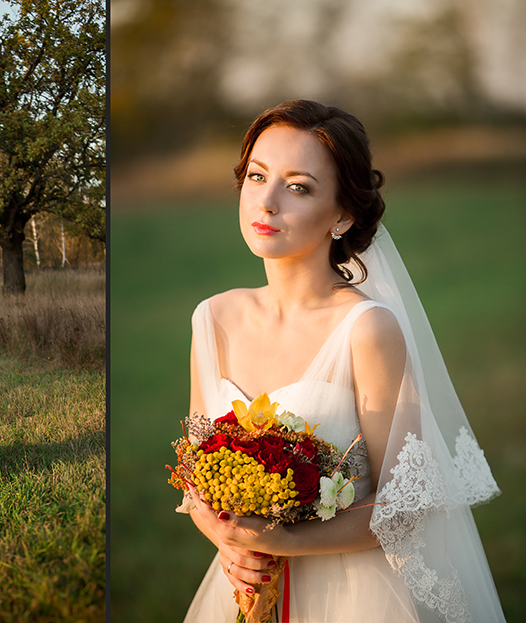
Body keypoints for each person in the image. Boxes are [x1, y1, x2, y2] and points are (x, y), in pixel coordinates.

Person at [179, 100, 505, 622]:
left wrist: (282, 540)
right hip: (240, 582)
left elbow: (404, 511)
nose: (266, 202)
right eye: (257, 176)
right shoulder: (212, 319)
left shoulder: (367, 329)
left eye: (299, 186)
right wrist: (229, 539)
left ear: (343, 214)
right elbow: (195, 479)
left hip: (353, 595)